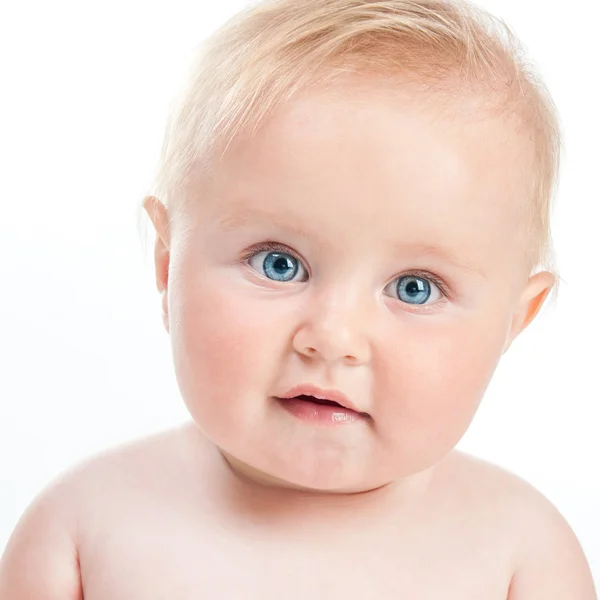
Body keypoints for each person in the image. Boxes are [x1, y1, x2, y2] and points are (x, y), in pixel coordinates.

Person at [0, 0, 596, 597]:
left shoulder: (521, 557)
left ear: (514, 322)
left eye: (415, 288)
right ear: (167, 264)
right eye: (279, 264)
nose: (333, 336)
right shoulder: (81, 535)